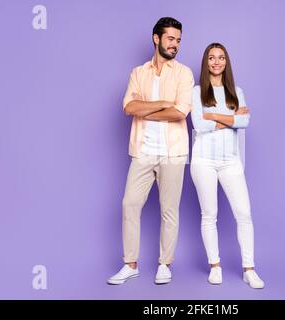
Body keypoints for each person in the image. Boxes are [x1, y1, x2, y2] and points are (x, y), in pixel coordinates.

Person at [107, 17, 194, 285]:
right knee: (129, 204)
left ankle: (165, 264)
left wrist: (149, 109)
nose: (175, 44)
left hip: (173, 152)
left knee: (169, 210)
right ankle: (130, 264)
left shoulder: (184, 73)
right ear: (156, 38)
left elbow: (181, 111)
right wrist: (163, 103)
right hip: (143, 151)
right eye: (170, 38)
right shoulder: (138, 73)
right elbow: (128, 107)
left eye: (178, 40)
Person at [190, 43, 264, 289]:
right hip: (203, 161)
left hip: (231, 160)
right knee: (209, 215)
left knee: (244, 214)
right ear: (206, 62)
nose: (216, 62)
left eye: (221, 58)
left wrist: (212, 115)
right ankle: (215, 266)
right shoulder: (197, 91)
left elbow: (245, 122)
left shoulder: (236, 91)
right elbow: (198, 126)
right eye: (212, 58)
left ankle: (249, 269)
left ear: (226, 62)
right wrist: (230, 119)